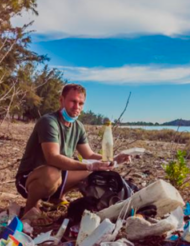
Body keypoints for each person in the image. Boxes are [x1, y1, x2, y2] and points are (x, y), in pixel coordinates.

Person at [15, 83, 130, 224]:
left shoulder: (78, 126)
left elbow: (89, 155)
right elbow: (53, 158)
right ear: (61, 100)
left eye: (81, 103)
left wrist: (114, 158)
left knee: (95, 174)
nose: (77, 107)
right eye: (73, 101)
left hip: (58, 176)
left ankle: (57, 198)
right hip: (30, 178)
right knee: (52, 173)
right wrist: (89, 166)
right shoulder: (49, 122)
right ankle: (30, 208)